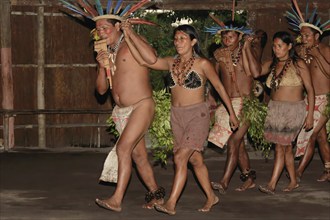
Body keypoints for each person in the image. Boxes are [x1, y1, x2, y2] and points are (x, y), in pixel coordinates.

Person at [122, 23, 239, 215]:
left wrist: (232, 114)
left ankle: (171, 203)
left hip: (197, 116)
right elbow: (147, 62)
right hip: (177, 116)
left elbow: (219, 87)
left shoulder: (202, 64)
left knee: (179, 157)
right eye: (176, 39)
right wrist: (129, 36)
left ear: (193, 41)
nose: (178, 42)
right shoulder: (171, 62)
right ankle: (211, 196)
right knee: (195, 161)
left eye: (182, 38)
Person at [59, 0, 165, 212]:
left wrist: (131, 33)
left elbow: (152, 58)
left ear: (118, 26)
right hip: (121, 112)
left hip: (142, 105)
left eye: (105, 28)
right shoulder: (106, 51)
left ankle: (117, 199)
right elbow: (100, 91)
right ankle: (157, 194)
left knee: (123, 148)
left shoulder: (132, 43)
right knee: (138, 156)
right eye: (98, 29)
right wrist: (101, 66)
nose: (101, 32)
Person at [205, 17, 261, 194]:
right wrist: (210, 99)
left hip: (246, 103)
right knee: (239, 145)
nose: (226, 40)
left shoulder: (249, 51)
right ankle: (249, 178)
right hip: (228, 103)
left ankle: (224, 182)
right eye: (224, 37)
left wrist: (245, 47)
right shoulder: (219, 55)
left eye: (231, 37)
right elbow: (215, 81)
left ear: (239, 37)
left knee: (233, 142)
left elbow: (256, 72)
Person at [258, 31, 315, 194]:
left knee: (280, 147)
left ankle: (272, 184)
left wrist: (310, 114)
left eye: (280, 46)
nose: (276, 49)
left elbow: (310, 90)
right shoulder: (272, 64)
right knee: (286, 148)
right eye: (274, 46)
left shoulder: (299, 64)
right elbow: (254, 71)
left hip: (293, 109)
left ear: (289, 46)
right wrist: (249, 46)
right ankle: (294, 181)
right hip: (275, 109)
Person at [285, 1, 330, 182]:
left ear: (317, 36)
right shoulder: (300, 51)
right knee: (320, 136)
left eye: (307, 36)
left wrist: (317, 55)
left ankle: (299, 171)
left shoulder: (325, 50)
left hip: (326, 99)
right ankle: (328, 168)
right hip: (310, 99)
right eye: (302, 35)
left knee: (311, 136)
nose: (304, 38)